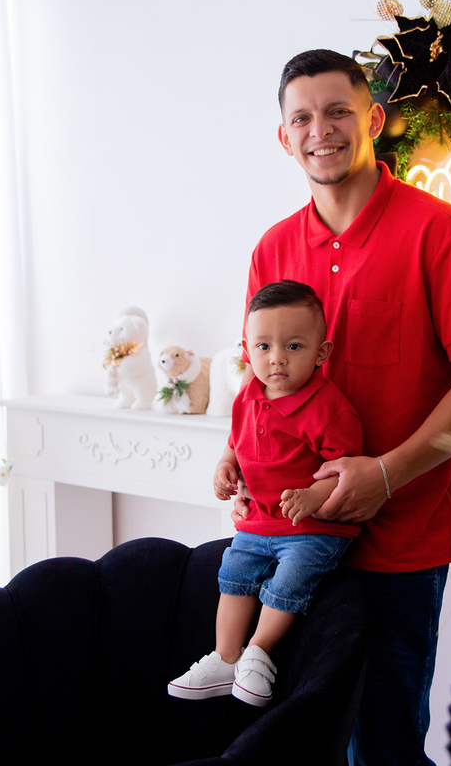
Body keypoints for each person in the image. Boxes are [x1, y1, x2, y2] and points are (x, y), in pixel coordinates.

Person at [239, 49, 451, 765]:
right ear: (284, 136)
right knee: (298, 743)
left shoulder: (441, 232)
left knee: (383, 748)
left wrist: (386, 474)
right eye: (302, 118)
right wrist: (236, 460)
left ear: (374, 119)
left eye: (338, 112)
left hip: (399, 547)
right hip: (287, 541)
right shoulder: (272, 250)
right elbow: (261, 385)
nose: (320, 130)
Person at [167, 279, 363, 708]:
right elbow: (236, 442)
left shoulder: (329, 409)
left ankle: (258, 651)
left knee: (290, 578)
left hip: (310, 527)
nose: (277, 358)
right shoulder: (248, 397)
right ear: (247, 350)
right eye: (263, 346)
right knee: (234, 571)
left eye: (293, 346)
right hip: (258, 521)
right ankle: (225, 657)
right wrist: (226, 465)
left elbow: (346, 471)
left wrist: (314, 496)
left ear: (321, 353)